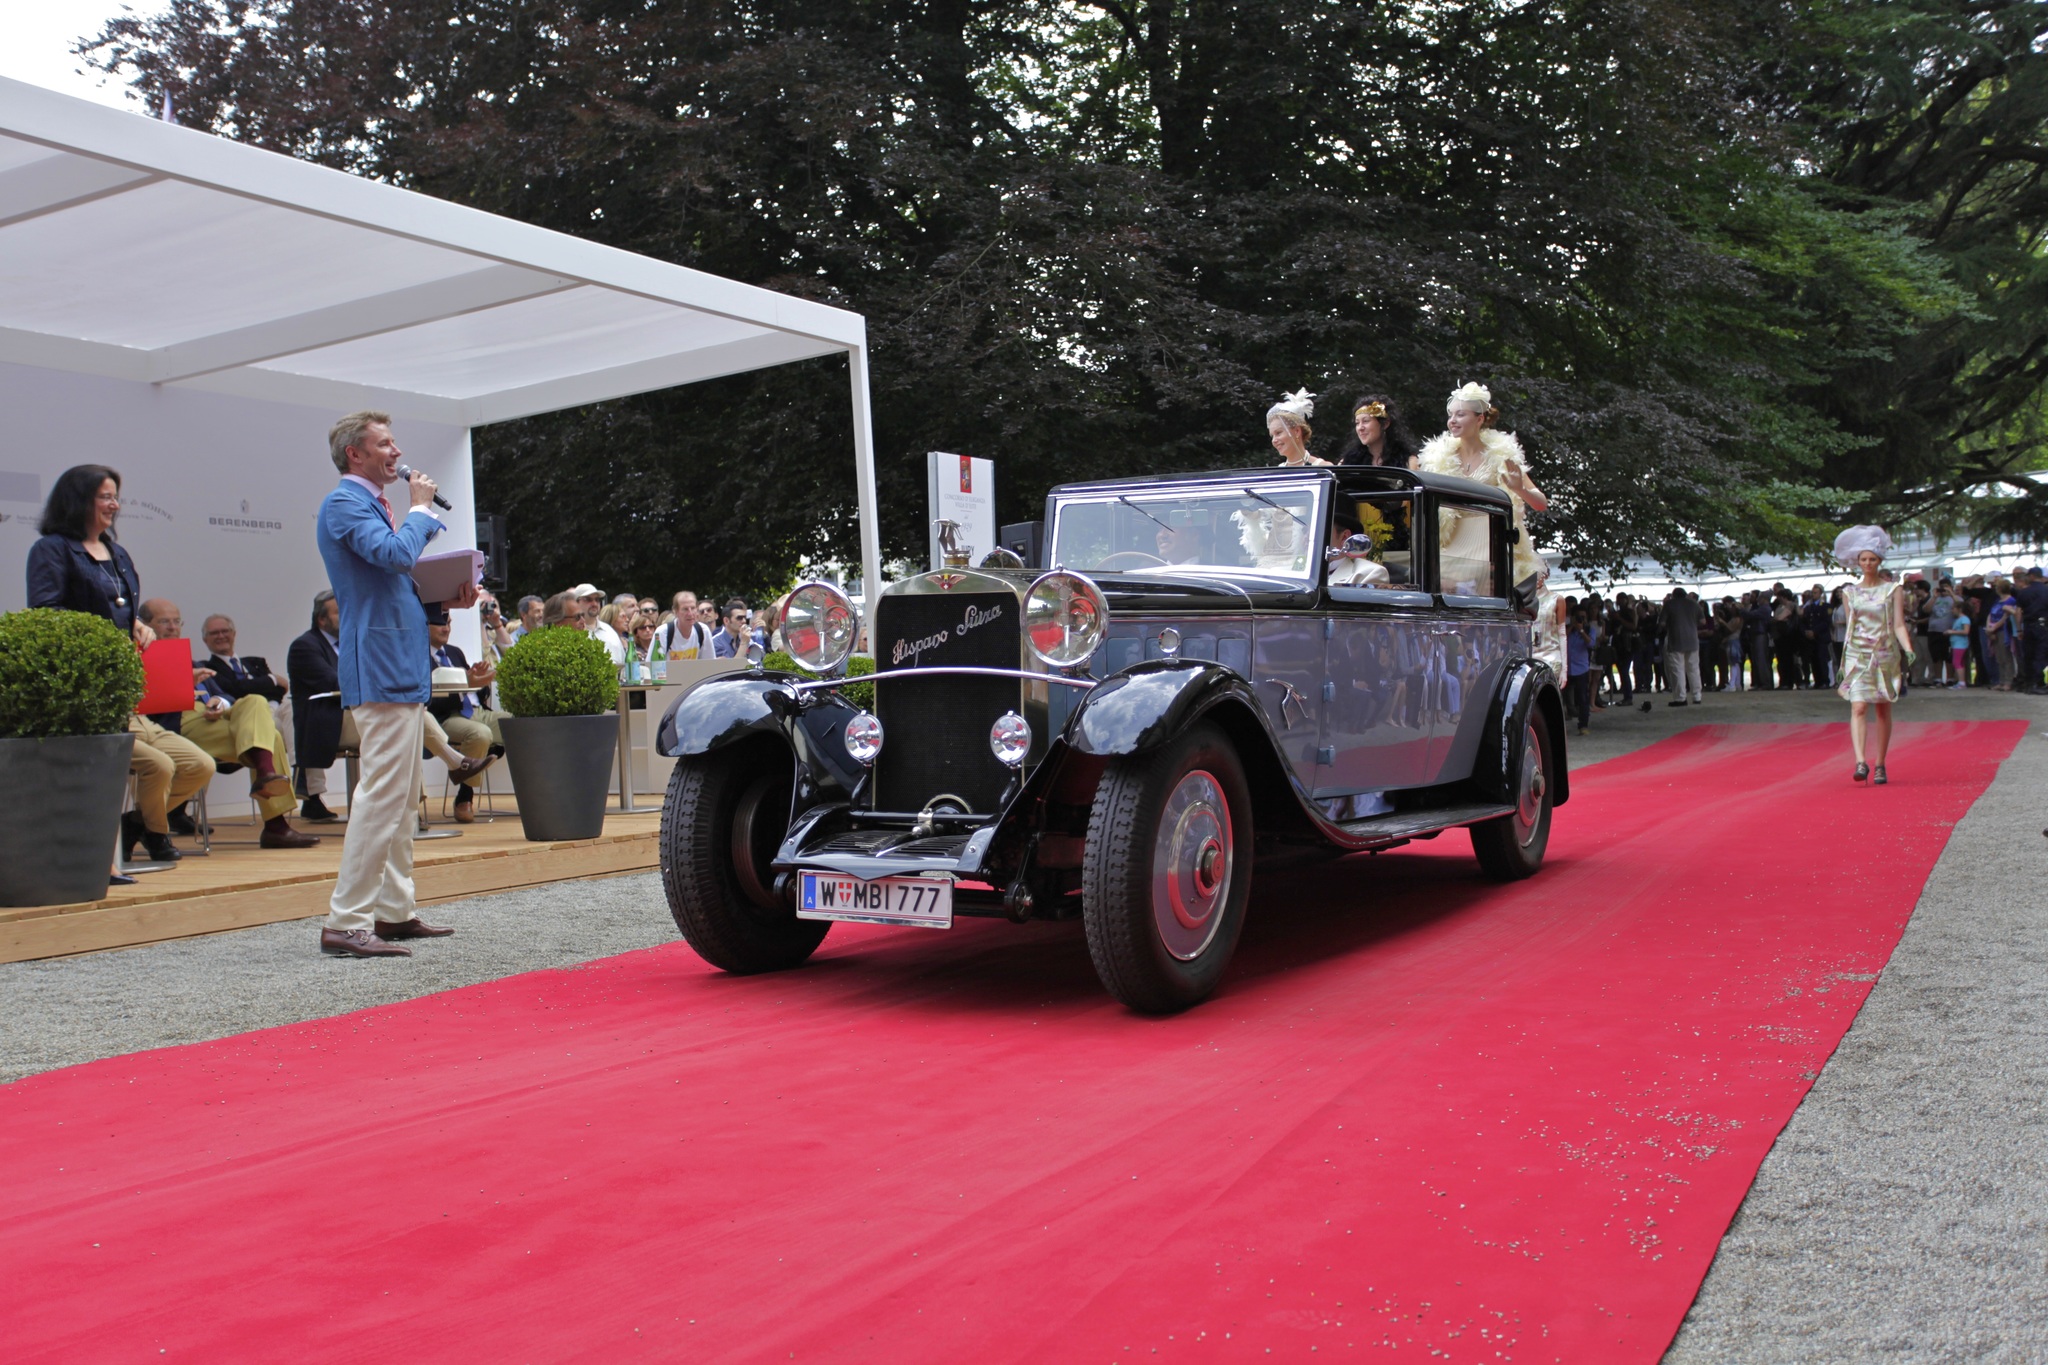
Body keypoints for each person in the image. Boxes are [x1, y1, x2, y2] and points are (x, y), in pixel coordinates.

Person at [315, 409, 475, 958]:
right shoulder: (343, 503)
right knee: (382, 794)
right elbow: (394, 555)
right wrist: (422, 510)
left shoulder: (372, 505)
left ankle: (394, 912)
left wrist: (441, 598)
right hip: (380, 665)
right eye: (384, 444)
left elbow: (392, 576)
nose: (396, 452)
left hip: (399, 663)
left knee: (404, 797)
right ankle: (345, 920)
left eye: (393, 442)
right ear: (354, 454)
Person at [25, 464, 210, 868]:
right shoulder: (51, 549)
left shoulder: (117, 552)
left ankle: (136, 824)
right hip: (89, 695)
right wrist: (107, 640)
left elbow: (121, 609)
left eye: (115, 497)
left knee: (198, 765)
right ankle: (151, 835)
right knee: (158, 767)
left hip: (128, 693)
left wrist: (138, 625)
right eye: (105, 497)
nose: (114, 505)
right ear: (79, 501)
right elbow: (47, 614)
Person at [137, 597, 319, 850]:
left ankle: (266, 776)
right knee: (271, 738)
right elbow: (143, 704)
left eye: (176, 621)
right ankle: (275, 824)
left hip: (212, 718)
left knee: (254, 700)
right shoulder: (139, 658)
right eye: (164, 621)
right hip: (177, 723)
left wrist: (218, 702)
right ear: (144, 625)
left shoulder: (191, 662)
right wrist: (180, 685)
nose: (172, 627)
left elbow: (227, 695)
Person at [1416, 382, 1547, 591]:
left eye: (1460, 415)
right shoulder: (1437, 458)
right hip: (1453, 542)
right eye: (1450, 415)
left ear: (1479, 419)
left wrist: (1520, 488)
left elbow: (1541, 504)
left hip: (1490, 542)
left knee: (1488, 593)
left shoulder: (1500, 455)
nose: (1452, 421)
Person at [1833, 525, 1916, 784]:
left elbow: (1899, 623)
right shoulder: (1850, 592)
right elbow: (1850, 627)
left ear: (1879, 561)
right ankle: (1860, 761)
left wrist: (1908, 649)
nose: (1867, 563)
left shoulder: (1892, 590)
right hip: (1858, 654)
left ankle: (1880, 763)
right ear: (1857, 562)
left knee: (1882, 710)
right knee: (1858, 706)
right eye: (1863, 559)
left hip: (1885, 653)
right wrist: (1843, 660)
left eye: (1872, 559)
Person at [427, 620, 505, 824]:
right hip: (446, 717)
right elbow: (430, 701)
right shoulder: (416, 656)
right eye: (439, 624)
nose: (446, 628)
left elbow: (473, 687)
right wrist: (466, 684)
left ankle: (538, 792)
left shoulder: (454, 652)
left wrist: (481, 682)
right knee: (480, 734)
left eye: (449, 623)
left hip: (478, 711)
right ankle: (465, 795)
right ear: (423, 626)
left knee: (522, 725)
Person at [288, 591, 345, 823]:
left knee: (409, 717)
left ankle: (410, 804)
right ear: (322, 619)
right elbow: (333, 682)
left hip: (356, 712)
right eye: (339, 612)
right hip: (328, 718)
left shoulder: (353, 642)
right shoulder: (304, 646)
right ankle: (454, 762)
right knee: (401, 721)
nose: (347, 616)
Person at [1334, 394, 1419, 468]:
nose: (1360, 427)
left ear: (1385, 424)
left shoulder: (1408, 462)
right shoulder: (1348, 461)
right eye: (1357, 423)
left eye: (1366, 421)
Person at [1265, 389, 1330, 467]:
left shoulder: (1322, 467)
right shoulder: (1278, 471)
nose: (1274, 440)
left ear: (1297, 431)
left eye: (1278, 433)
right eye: (1272, 436)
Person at [1661, 587, 1702, 706]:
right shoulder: (1694, 604)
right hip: (1693, 640)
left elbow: (1662, 622)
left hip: (1675, 640)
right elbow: (1703, 621)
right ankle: (1697, 696)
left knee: (1677, 669)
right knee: (1693, 669)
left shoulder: (1669, 605)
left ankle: (1680, 698)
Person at [569, 582, 625, 665]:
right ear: (576, 603)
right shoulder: (571, 632)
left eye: (597, 600)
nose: (594, 604)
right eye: (588, 599)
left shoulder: (610, 631)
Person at [2012, 567, 2048, 693]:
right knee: (2041, 654)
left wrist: (2019, 629)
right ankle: (2038, 683)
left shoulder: (2024, 592)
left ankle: (2029, 683)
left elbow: (2018, 612)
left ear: (2031, 576)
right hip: (2043, 625)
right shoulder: (2046, 590)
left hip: (2028, 625)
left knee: (2029, 655)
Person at [1985, 579, 2019, 691]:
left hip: (2003, 630)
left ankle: (2008, 681)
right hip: (1993, 629)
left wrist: (1994, 627)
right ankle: (2001, 680)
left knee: (2006, 656)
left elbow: (2005, 617)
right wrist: (1989, 627)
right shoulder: (1997, 601)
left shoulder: (2011, 600)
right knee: (1998, 656)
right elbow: (1990, 614)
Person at [658, 591, 713, 660]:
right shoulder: (663, 633)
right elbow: (653, 666)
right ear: (675, 612)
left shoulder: (703, 630)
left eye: (693, 608)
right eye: (685, 609)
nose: (690, 613)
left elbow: (709, 664)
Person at [1564, 608, 1593, 736]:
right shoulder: (1568, 630)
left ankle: (1583, 725)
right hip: (1567, 669)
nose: (1581, 620)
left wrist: (1581, 630)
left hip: (1581, 669)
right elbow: (1561, 639)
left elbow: (1591, 644)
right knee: (1563, 697)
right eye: (1578, 617)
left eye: (1583, 617)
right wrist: (1572, 627)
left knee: (1582, 699)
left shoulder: (1588, 630)